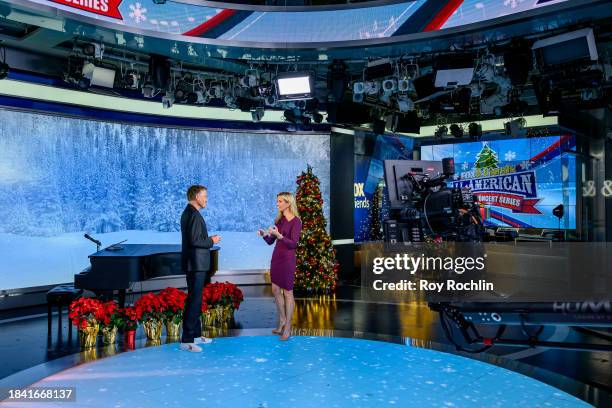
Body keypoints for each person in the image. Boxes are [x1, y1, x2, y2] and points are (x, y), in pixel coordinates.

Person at [180, 185, 221, 352]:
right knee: (194, 301)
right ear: (196, 196)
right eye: (204, 195)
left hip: (196, 264)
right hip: (196, 264)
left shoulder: (190, 212)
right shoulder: (193, 215)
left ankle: (195, 336)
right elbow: (196, 241)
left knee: (195, 300)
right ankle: (187, 340)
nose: (206, 199)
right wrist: (213, 240)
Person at [258, 192, 302, 341]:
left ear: (288, 203)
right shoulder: (279, 220)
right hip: (276, 257)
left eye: (280, 201)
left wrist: (280, 236)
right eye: (277, 201)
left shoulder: (296, 221)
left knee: (288, 293)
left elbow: (293, 244)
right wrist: (265, 234)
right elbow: (271, 241)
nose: (277, 203)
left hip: (288, 259)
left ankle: (288, 326)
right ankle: (282, 320)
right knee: (275, 290)